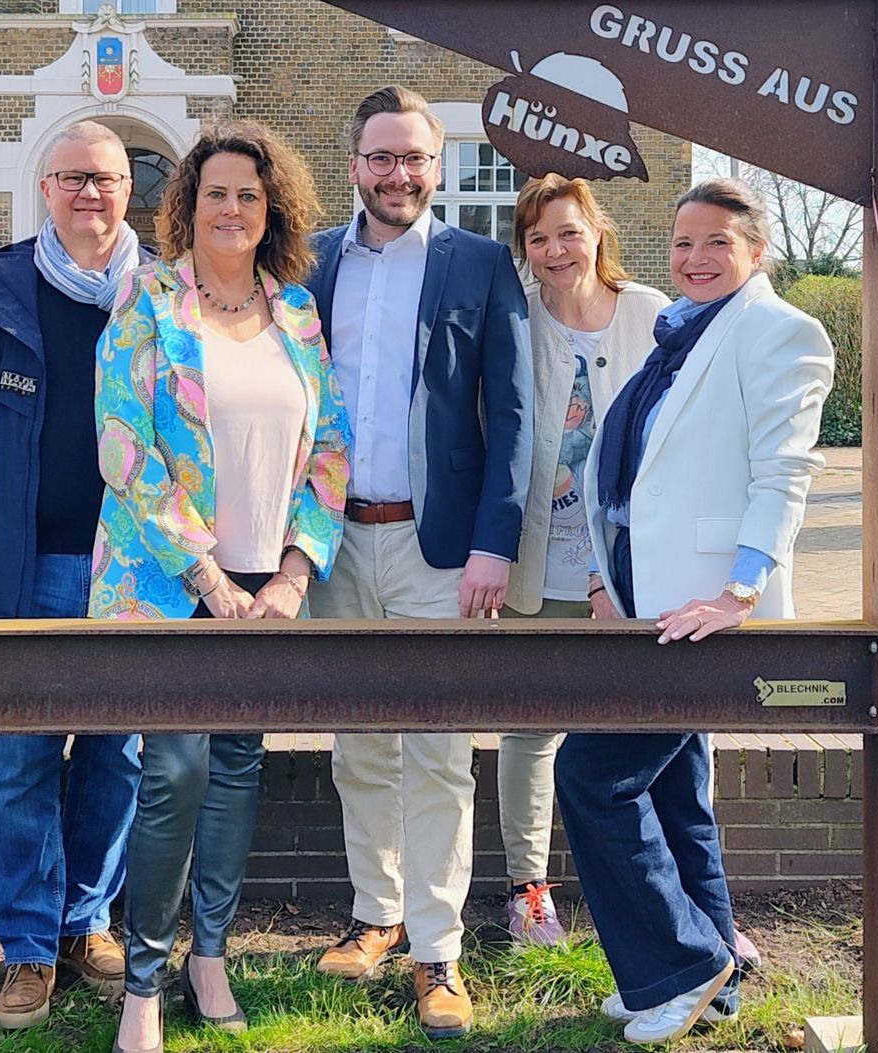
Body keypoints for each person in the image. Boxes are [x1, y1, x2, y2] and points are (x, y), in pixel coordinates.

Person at [91, 122, 350, 1053]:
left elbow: (331, 449)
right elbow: (123, 445)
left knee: (237, 763)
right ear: (188, 207)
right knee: (175, 770)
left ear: (271, 208)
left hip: (265, 582)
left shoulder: (298, 313)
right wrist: (204, 573)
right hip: (171, 579)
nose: (231, 208)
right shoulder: (149, 298)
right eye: (215, 194)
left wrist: (293, 572)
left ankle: (211, 954)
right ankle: (144, 978)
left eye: (249, 194)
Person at [557, 177, 833, 1045]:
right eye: (683, 242)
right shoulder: (680, 336)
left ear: (756, 250)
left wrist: (738, 591)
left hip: (705, 613)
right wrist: (604, 581)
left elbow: (784, 474)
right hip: (652, 604)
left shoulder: (780, 331)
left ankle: (678, 966)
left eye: (717, 241)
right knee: (676, 791)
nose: (695, 257)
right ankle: (715, 979)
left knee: (593, 775)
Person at [307, 85, 532, 1039]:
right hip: (329, 543)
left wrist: (494, 541)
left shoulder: (480, 263)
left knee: (439, 751)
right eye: (381, 157)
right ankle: (378, 914)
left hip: (439, 549)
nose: (397, 174)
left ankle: (439, 949)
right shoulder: (310, 260)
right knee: (358, 741)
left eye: (414, 158)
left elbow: (512, 412)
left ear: (436, 167)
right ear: (354, 163)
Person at [0, 120, 147, 1030]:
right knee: (17, 760)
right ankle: (25, 944)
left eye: (107, 178)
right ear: (46, 188)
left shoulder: (163, 293)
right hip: (23, 567)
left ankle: (85, 920)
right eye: (74, 177)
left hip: (131, 569)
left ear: (129, 190)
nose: (91, 193)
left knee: (116, 754)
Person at [499, 174, 668, 944]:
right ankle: (528, 890)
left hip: (635, 572)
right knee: (529, 729)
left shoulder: (652, 315)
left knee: (649, 731)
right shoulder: (516, 317)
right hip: (535, 567)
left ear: (597, 230)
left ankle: (656, 889)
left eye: (568, 231)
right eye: (538, 238)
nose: (555, 250)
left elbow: (667, 446)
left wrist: (610, 571)